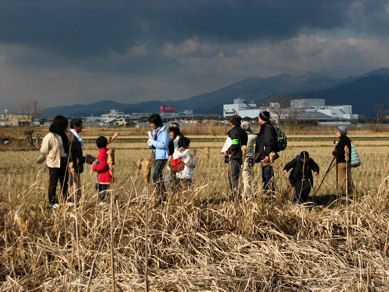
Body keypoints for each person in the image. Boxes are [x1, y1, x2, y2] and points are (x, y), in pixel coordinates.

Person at [37, 115, 69, 208]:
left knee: (64, 182)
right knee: (53, 183)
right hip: (54, 162)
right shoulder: (50, 136)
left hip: (63, 161)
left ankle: (66, 200)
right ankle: (53, 202)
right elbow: (43, 150)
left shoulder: (63, 136)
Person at [223, 114, 248, 199]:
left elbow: (235, 143)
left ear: (232, 122)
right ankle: (236, 193)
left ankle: (235, 194)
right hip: (241, 156)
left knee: (233, 176)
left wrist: (227, 151)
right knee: (237, 176)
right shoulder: (243, 132)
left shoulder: (234, 132)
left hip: (234, 156)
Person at [147, 114, 170, 202]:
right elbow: (153, 144)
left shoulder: (164, 133)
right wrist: (150, 144)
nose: (150, 125)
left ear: (156, 123)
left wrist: (152, 141)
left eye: (151, 123)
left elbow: (163, 144)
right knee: (159, 176)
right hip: (155, 156)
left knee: (155, 175)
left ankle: (160, 195)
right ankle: (163, 197)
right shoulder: (154, 132)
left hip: (162, 156)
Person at [255, 111, 277, 196]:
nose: (258, 119)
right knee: (266, 175)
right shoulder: (266, 127)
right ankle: (267, 193)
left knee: (267, 176)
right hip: (264, 155)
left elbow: (269, 142)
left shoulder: (267, 128)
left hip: (266, 156)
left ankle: (269, 194)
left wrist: (267, 155)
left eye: (259, 117)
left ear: (262, 118)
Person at [68, 118, 85, 202]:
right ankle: (73, 201)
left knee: (76, 184)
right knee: (74, 185)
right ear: (75, 126)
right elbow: (71, 154)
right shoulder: (73, 139)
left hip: (75, 165)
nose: (82, 128)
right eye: (81, 126)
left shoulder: (74, 137)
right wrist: (82, 159)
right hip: (73, 165)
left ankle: (76, 201)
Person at [333, 125, 353, 194]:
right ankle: (351, 192)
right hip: (348, 162)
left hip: (342, 162)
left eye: (337, 132)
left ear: (341, 133)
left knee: (343, 179)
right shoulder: (348, 140)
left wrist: (334, 153)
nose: (336, 133)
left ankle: (345, 193)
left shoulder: (342, 141)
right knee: (348, 178)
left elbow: (340, 153)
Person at [92, 136, 112, 202]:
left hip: (104, 177)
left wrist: (94, 167)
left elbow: (103, 166)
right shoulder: (107, 152)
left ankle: (105, 202)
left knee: (101, 189)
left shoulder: (101, 154)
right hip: (107, 176)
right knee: (101, 189)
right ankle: (107, 201)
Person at [240, 121, 257, 198]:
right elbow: (255, 134)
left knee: (240, 177)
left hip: (241, 159)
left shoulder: (240, 136)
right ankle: (247, 194)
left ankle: (242, 194)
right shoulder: (253, 136)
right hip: (249, 159)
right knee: (247, 177)